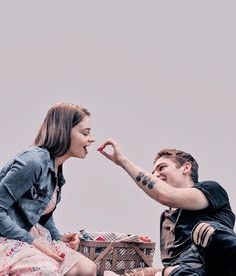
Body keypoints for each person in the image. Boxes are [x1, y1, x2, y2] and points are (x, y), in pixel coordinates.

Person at [98, 139, 236, 276]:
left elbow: (167, 195)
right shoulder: (166, 219)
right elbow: (173, 264)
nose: (156, 174)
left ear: (186, 167)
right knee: (171, 271)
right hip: (191, 271)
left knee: (205, 231)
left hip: (221, 262)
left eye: (162, 167)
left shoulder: (211, 189)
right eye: (153, 172)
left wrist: (123, 161)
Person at [0, 102, 97, 276]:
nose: (91, 139)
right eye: (85, 133)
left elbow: (42, 214)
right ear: (65, 131)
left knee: (86, 269)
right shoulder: (33, 161)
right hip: (7, 237)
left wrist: (57, 237)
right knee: (48, 271)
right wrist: (32, 242)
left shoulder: (56, 168)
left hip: (29, 235)